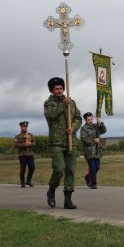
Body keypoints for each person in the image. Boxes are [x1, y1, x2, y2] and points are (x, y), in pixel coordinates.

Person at [44, 77, 82, 209]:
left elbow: (78, 118)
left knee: (70, 170)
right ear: (51, 90)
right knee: (59, 169)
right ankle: (51, 190)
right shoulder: (48, 104)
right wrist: (63, 105)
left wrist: (73, 128)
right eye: (56, 89)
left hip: (71, 141)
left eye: (61, 88)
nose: (59, 91)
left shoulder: (72, 103)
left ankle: (68, 199)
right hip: (57, 142)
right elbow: (51, 115)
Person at [79, 112, 107, 189]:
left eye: (91, 119)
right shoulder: (84, 128)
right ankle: (93, 183)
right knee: (92, 168)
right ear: (85, 120)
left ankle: (87, 177)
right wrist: (94, 140)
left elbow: (104, 131)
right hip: (89, 152)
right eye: (88, 120)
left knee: (97, 167)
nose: (90, 121)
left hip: (97, 151)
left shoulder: (96, 126)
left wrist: (101, 123)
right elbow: (84, 139)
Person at [14, 121, 36, 188]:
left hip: (30, 154)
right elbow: (16, 145)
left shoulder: (30, 135)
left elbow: (35, 143)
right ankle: (22, 182)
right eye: (24, 127)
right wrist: (24, 144)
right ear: (21, 127)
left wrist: (30, 144)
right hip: (22, 155)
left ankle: (28, 181)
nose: (25, 128)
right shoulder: (18, 136)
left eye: (26, 127)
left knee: (32, 167)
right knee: (23, 169)